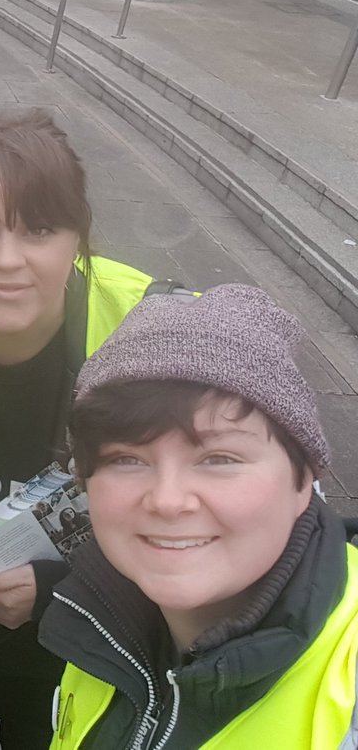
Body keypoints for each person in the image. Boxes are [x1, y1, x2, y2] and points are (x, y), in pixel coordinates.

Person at [0, 109, 172, 749]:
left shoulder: (150, 335)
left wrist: (66, 586)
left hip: (86, 657)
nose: (7, 260)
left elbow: (203, 531)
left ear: (78, 238)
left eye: (40, 230)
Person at [41, 284, 358, 748]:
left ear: (304, 478)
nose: (168, 501)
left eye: (220, 459)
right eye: (127, 459)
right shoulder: (102, 618)